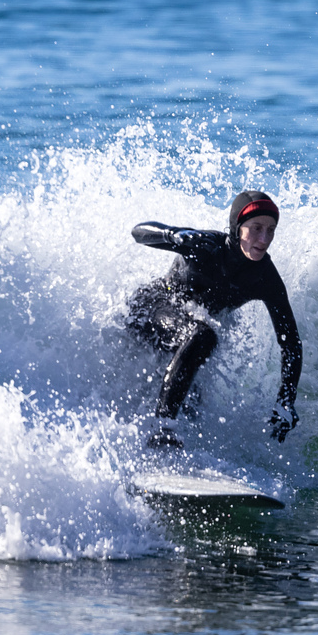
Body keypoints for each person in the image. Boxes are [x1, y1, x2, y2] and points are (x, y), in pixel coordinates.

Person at [127, 190, 302, 448]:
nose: (264, 239)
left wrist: (286, 399)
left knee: (194, 403)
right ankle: (162, 430)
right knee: (204, 336)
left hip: (186, 336)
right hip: (150, 309)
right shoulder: (206, 245)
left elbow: (291, 344)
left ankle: (175, 455)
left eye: (271, 230)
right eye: (256, 228)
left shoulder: (265, 277)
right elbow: (138, 232)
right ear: (237, 227)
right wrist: (172, 235)